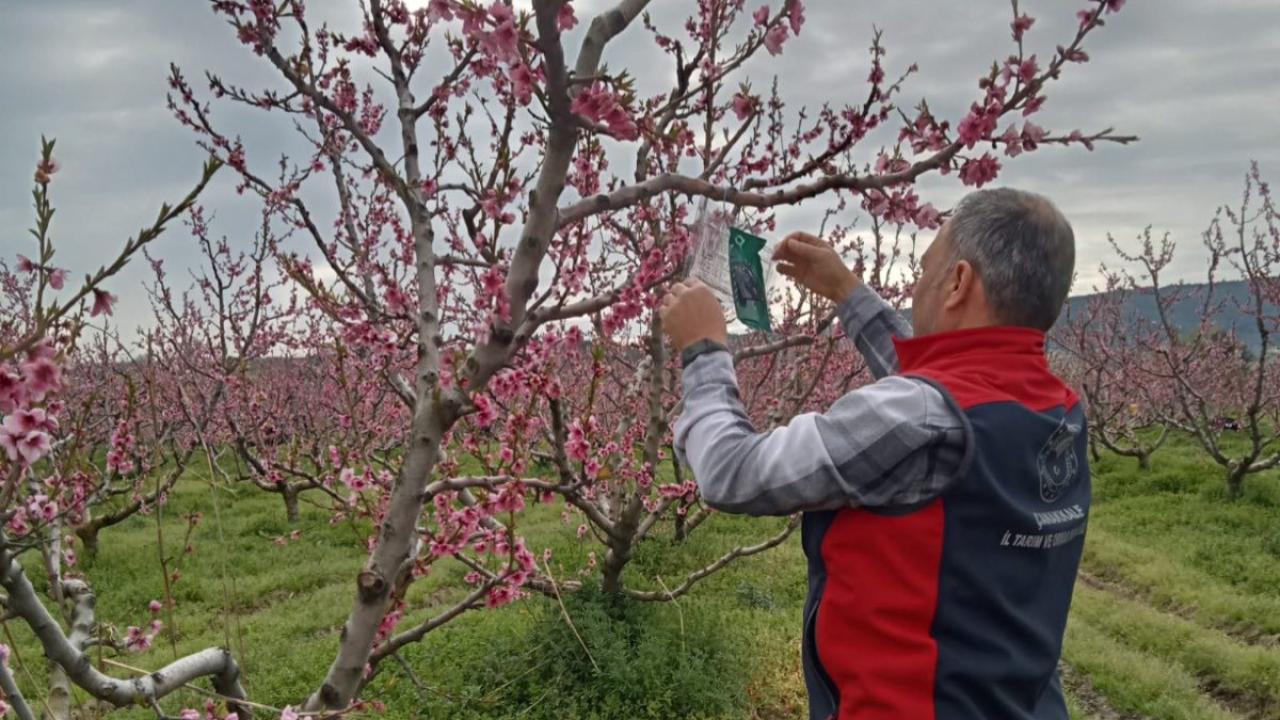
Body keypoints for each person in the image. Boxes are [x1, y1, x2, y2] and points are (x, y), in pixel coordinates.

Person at [661, 188, 1089, 720]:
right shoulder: (1058, 408)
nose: (917, 284)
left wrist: (704, 351)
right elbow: (940, 389)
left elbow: (731, 472)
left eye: (927, 266)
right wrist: (846, 291)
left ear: (958, 282)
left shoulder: (918, 415)